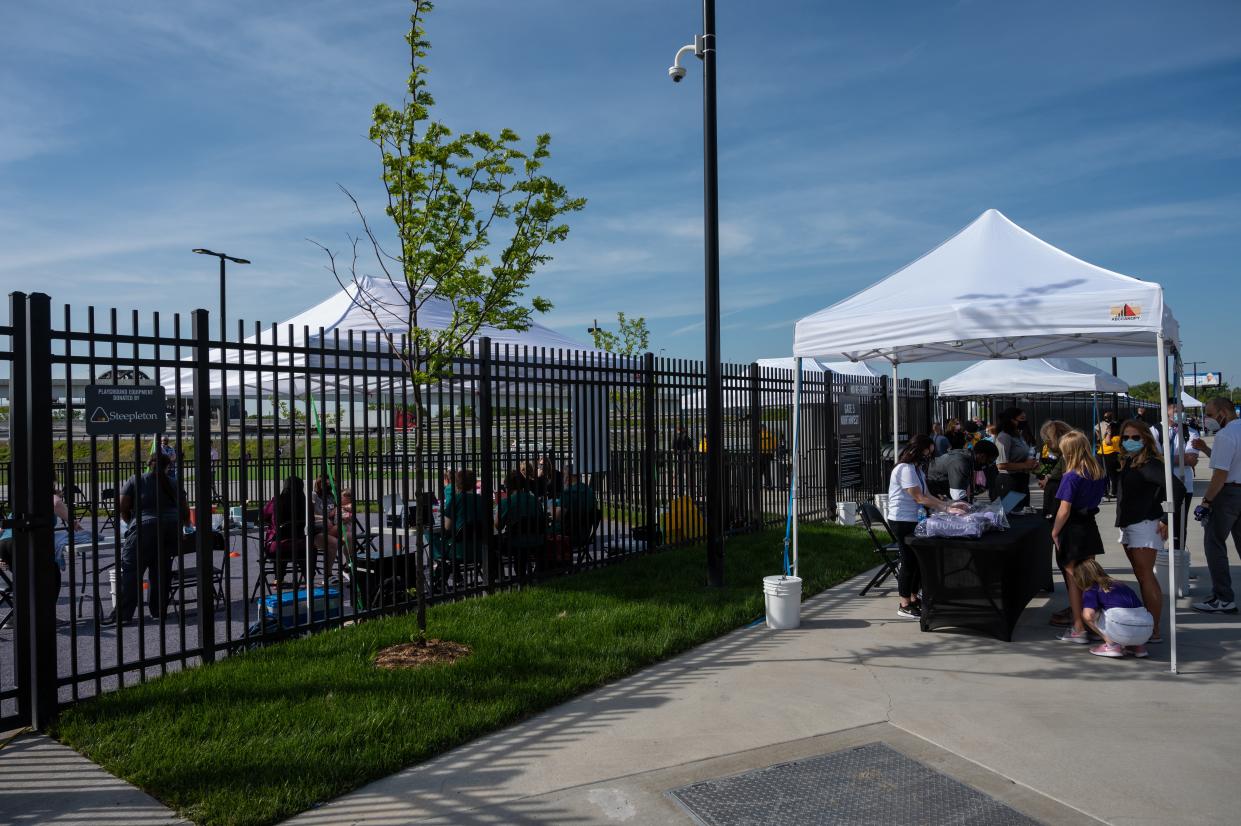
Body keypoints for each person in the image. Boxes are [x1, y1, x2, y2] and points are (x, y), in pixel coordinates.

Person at [1115, 421, 1180, 641]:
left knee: (1146, 577)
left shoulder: (1150, 464)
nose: (1129, 441)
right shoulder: (1129, 461)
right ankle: (1148, 625)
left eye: (1135, 437)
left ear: (1145, 439)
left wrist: (1165, 519)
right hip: (1129, 524)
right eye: (1125, 437)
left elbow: (1177, 489)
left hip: (1144, 524)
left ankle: (1153, 629)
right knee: (1141, 575)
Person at [105, 453, 188, 626]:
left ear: (149, 464)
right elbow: (185, 511)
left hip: (144, 528)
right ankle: (158, 611)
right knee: (161, 572)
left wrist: (132, 522)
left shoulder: (136, 480)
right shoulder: (173, 483)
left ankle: (123, 615)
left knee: (131, 573)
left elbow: (121, 506)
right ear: (168, 467)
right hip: (170, 530)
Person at [887, 435, 964, 620]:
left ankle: (913, 598)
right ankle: (904, 603)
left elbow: (927, 494)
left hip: (913, 518)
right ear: (918, 450)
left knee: (916, 561)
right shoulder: (905, 469)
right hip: (902, 520)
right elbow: (919, 498)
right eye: (926, 452)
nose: (928, 456)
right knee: (908, 561)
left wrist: (950, 505)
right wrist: (946, 508)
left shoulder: (917, 469)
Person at [1049, 431, 1108, 644]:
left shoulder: (1071, 476)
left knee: (1073, 580)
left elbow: (1064, 509)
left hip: (1072, 529)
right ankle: (1091, 621)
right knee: (1088, 578)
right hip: (1090, 527)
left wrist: (1054, 531)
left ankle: (1078, 626)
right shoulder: (1098, 472)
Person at [1191, 398, 1241, 614]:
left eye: (1210, 414)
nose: (1207, 419)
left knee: (1214, 545)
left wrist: (1206, 502)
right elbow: (1229, 463)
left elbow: (1221, 474)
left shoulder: (1225, 435)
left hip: (1227, 494)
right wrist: (1205, 450)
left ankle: (1223, 597)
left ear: (1223, 412)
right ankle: (1222, 595)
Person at [1073, 559, 1154, 658]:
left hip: (1121, 629)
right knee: (1129, 612)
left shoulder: (1092, 588)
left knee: (1088, 614)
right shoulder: (1121, 585)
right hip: (1145, 631)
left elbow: (1088, 615)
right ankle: (1138, 647)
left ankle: (1112, 645)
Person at [1151, 402, 1200, 551]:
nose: (1180, 413)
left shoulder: (1190, 432)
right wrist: (1180, 458)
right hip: (1161, 486)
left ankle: (1178, 557)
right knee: (1158, 523)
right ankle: (1158, 558)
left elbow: (1192, 459)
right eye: (1176, 409)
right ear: (1166, 411)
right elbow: (1153, 459)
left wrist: (1165, 457)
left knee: (1180, 524)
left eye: (1183, 410)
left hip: (1184, 486)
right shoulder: (1154, 431)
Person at [497, 469, 546, 571]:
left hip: (515, 543)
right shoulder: (535, 501)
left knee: (493, 545)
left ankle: (499, 576)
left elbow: (498, 525)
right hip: (537, 541)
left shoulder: (507, 502)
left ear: (507, 487)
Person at [927, 433, 997, 502]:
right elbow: (958, 496)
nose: (988, 465)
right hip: (931, 494)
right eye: (989, 461)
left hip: (938, 493)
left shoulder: (968, 459)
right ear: (982, 456)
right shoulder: (961, 462)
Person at [994, 407, 1038, 509]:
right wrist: (1025, 465)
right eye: (1021, 419)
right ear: (1011, 420)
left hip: (1022, 479)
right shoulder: (1004, 437)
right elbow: (1001, 464)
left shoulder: (1018, 435)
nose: (1024, 421)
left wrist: (1031, 465)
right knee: (1011, 511)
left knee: (1022, 511)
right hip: (1010, 481)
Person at [311, 476, 341, 581]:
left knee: (348, 534)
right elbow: (309, 514)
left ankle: (347, 567)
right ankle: (328, 574)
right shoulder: (314, 496)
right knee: (334, 542)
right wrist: (324, 518)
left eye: (330, 484)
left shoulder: (332, 496)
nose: (328, 486)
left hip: (331, 528)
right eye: (326, 484)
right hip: (317, 530)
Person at [1099, 420, 1121, 499]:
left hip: (1110, 456)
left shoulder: (1117, 437)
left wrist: (1108, 433)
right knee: (1104, 475)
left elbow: (1108, 443)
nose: (1108, 429)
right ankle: (1105, 491)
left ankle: (1114, 491)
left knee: (1112, 475)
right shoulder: (1108, 436)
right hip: (1102, 455)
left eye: (1109, 428)